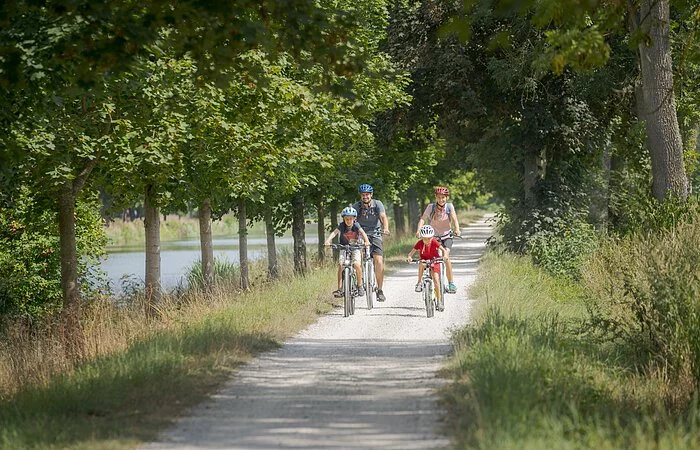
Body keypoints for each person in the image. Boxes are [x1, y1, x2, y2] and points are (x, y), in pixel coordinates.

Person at [415, 186, 461, 294]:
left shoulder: (449, 207)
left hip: (446, 237)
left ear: (446, 197)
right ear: (436, 197)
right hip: (432, 237)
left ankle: (450, 283)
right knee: (430, 258)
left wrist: (457, 229)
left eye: (443, 197)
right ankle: (427, 279)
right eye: (439, 197)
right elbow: (422, 219)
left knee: (446, 257)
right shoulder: (431, 207)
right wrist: (418, 230)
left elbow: (454, 219)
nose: (441, 199)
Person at [353, 184, 390, 302]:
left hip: (375, 234)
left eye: (367, 194)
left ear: (371, 195)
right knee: (358, 258)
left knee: (378, 261)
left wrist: (386, 228)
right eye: (363, 195)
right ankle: (360, 281)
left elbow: (383, 217)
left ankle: (379, 290)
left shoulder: (377, 204)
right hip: (361, 235)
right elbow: (351, 220)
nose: (365, 197)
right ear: (361, 196)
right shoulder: (357, 206)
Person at [323, 206, 370, 298]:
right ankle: (340, 289)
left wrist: (366, 241)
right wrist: (328, 240)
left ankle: (359, 285)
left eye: (350, 219)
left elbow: (363, 233)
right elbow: (334, 233)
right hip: (344, 248)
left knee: (356, 264)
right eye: (346, 219)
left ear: (354, 219)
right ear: (343, 219)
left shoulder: (356, 225)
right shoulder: (341, 226)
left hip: (355, 247)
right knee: (341, 265)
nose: (348, 221)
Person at [406, 225, 446, 299]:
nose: (427, 240)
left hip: (434, 260)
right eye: (425, 239)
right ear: (422, 237)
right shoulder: (420, 243)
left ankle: (439, 299)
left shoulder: (434, 241)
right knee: (421, 263)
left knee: (436, 279)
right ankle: (419, 282)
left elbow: (443, 250)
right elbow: (411, 252)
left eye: (429, 238)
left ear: (432, 237)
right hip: (424, 260)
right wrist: (409, 257)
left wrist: (445, 256)